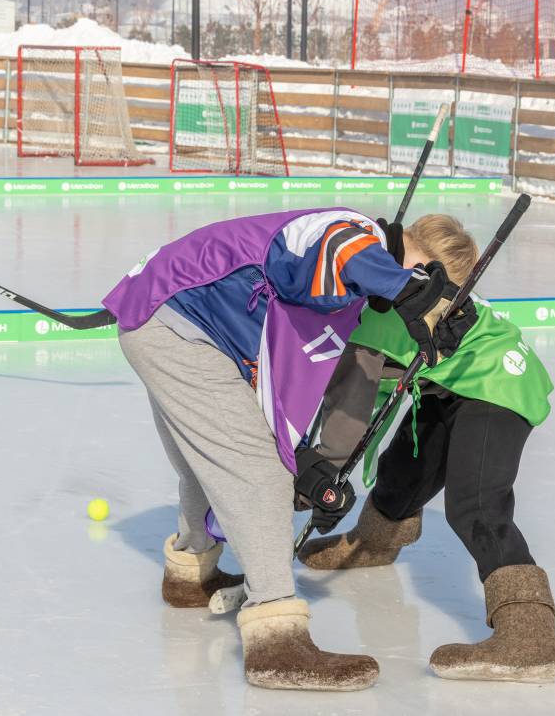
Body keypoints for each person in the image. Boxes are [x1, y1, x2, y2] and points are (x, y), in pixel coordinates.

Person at [103, 208, 459, 690]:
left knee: (205, 458)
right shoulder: (355, 234)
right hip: (179, 331)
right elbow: (339, 249)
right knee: (258, 472)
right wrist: (406, 290)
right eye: (438, 290)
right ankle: (277, 640)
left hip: (166, 319)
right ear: (425, 267)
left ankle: (189, 574)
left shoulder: (359, 259)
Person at [298, 214, 555, 683]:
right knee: (403, 471)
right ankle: (373, 544)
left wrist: (325, 472)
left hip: (498, 386)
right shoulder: (395, 301)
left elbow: (352, 407)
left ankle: (529, 635)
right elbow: (373, 398)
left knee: (476, 505)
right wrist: (341, 469)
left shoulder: (383, 309)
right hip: (449, 386)